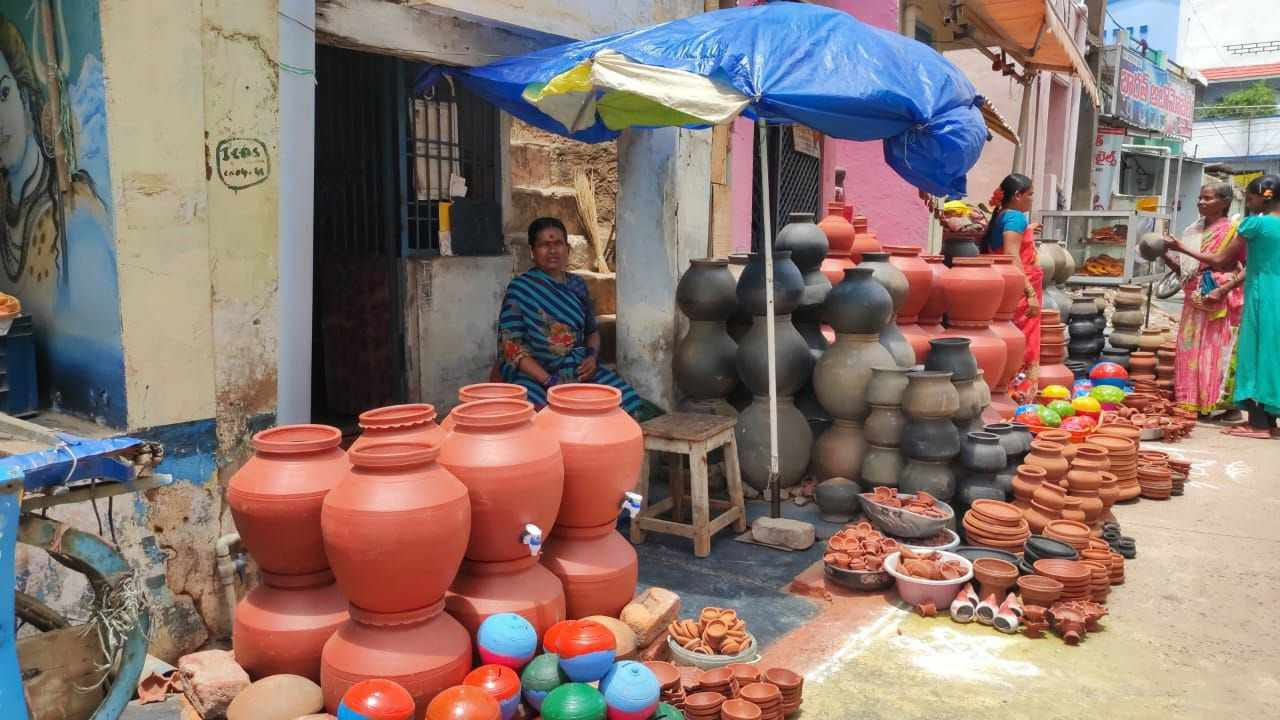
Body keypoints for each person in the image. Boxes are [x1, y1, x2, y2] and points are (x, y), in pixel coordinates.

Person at [1166, 175, 1280, 438]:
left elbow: (1219, 260)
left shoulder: (1255, 224)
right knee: (1272, 353)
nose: (1248, 204)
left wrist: (1179, 247)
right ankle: (1269, 421)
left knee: (1254, 354)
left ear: (1263, 197)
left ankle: (1258, 424)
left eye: (1249, 198)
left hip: (1262, 295)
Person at [498, 217, 645, 415]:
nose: (552, 250)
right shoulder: (520, 289)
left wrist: (592, 358)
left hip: (577, 370)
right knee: (541, 417)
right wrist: (549, 381)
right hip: (536, 375)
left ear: (567, 249)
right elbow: (512, 346)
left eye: (558, 244)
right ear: (532, 252)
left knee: (625, 404)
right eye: (544, 245)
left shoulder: (577, 286)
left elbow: (592, 332)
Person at [1162, 182, 1244, 417]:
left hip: (1218, 296)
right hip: (1194, 296)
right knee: (1189, 347)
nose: (1201, 202)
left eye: (1208, 198)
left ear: (1224, 202)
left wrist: (1180, 247)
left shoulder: (1234, 230)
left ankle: (1220, 404)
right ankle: (1192, 402)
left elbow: (1221, 262)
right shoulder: (1193, 231)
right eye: (1200, 197)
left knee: (1215, 349)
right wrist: (1164, 254)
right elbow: (1187, 270)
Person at [981, 174, 1042, 381]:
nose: (1032, 199)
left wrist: (1028, 230)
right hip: (1020, 289)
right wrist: (1030, 293)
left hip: (1007, 286)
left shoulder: (1003, 216)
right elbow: (1011, 255)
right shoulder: (1015, 217)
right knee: (1023, 339)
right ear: (1017, 195)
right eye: (1030, 195)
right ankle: (1019, 390)